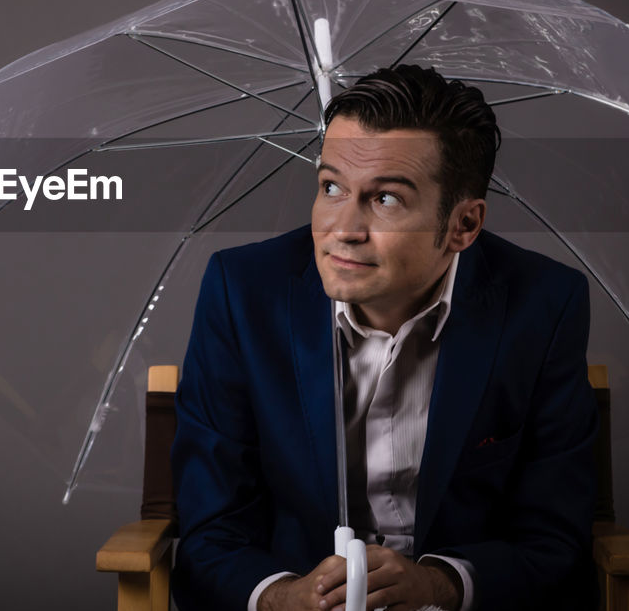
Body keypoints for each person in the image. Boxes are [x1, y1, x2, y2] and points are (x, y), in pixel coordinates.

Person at [170, 65, 598, 611]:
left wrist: (440, 585)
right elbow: (211, 527)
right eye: (331, 187)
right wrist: (284, 597)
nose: (342, 228)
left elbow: (553, 535)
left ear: (463, 225)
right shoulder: (242, 292)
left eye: (386, 199)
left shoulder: (544, 305)